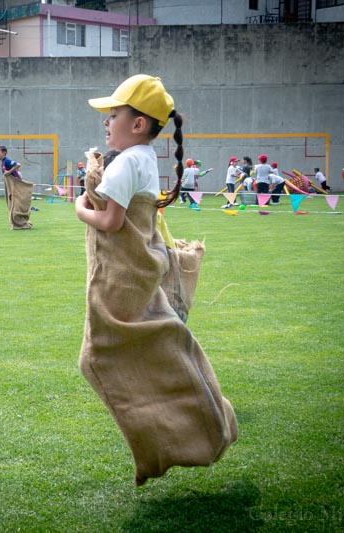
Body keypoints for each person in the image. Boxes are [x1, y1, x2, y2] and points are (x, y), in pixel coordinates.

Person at [76, 74, 237, 485]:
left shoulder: (126, 162)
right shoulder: (145, 158)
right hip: (142, 272)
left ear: (138, 124)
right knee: (159, 344)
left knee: (95, 359)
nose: (106, 123)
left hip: (119, 277)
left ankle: (162, 445)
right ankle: (209, 419)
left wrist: (80, 207)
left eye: (113, 115)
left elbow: (110, 222)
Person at [0, 145, 33, 229]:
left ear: (4, 153)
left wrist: (10, 172)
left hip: (16, 185)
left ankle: (22, 223)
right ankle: (19, 223)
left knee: (16, 205)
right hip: (11, 186)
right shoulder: (3, 163)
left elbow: (18, 165)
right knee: (12, 204)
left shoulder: (7, 161)